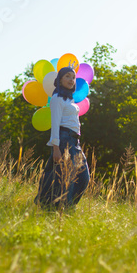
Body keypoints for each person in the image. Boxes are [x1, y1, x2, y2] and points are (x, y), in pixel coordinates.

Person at [35, 66, 90, 209]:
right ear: (60, 79)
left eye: (73, 77)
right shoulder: (57, 98)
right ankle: (61, 208)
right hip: (64, 139)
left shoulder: (70, 100)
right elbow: (55, 124)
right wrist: (56, 148)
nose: (71, 80)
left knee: (83, 177)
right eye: (67, 76)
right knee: (66, 178)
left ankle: (67, 205)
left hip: (74, 141)